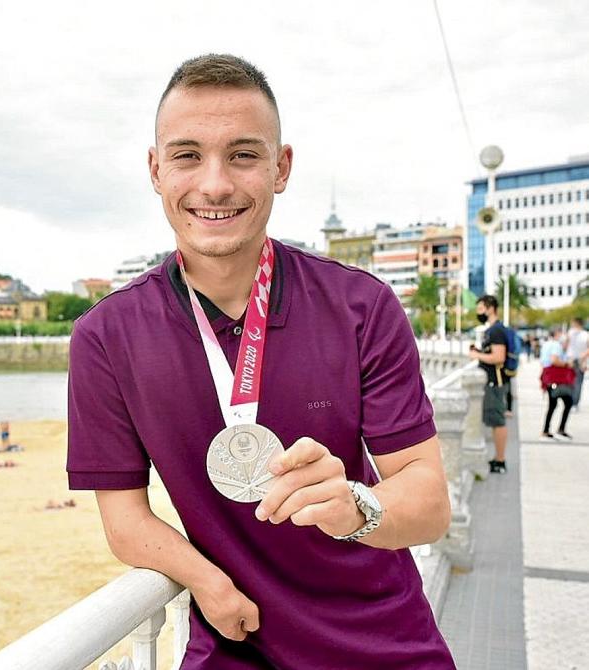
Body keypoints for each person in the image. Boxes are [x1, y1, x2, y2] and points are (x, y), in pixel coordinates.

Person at [67, 55, 454, 669]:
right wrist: (205, 580)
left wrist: (358, 503)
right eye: (187, 155)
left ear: (282, 167)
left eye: (244, 154)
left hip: (384, 643)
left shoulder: (360, 307)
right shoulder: (106, 336)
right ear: (155, 169)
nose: (215, 184)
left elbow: (429, 502)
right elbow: (125, 519)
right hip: (234, 645)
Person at [469, 295, 508, 473]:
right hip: (494, 382)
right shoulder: (493, 330)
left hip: (495, 382)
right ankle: (498, 459)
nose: (479, 313)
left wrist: (478, 356)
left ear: (490, 308)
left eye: (480, 309)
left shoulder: (496, 331)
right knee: (495, 421)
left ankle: (500, 461)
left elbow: (499, 357)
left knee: (498, 422)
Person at [540, 327, 574, 440]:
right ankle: (559, 429)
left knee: (552, 405)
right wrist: (566, 364)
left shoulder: (546, 344)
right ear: (557, 334)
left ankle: (547, 430)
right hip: (556, 378)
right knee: (567, 402)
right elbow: (554, 360)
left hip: (548, 377)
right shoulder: (556, 345)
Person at [566, 317, 588, 409]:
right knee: (578, 382)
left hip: (571, 359)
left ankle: (571, 401)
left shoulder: (570, 333)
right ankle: (574, 403)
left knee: (570, 381)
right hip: (580, 360)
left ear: (576, 323)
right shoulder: (586, 334)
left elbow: (565, 345)